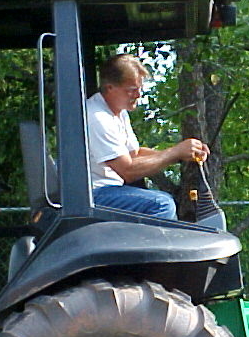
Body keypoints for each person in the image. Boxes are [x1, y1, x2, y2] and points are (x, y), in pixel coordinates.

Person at [86, 54, 209, 219]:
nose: (138, 95)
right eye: (131, 90)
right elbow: (127, 171)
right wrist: (175, 153)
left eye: (140, 88)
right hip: (92, 196)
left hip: (110, 191)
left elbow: (135, 154)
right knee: (161, 204)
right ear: (109, 88)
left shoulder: (119, 112)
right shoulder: (97, 117)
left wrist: (184, 154)